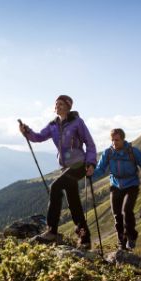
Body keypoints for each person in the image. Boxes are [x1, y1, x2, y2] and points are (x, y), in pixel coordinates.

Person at [19, 95, 97, 249]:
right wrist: (26, 131)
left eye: (61, 104)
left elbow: (89, 142)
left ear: (68, 106)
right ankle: (85, 239)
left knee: (55, 187)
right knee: (74, 203)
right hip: (66, 168)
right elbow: (39, 137)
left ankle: (52, 231)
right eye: (56, 104)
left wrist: (91, 163)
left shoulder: (77, 122)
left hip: (80, 165)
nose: (58, 106)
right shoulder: (53, 125)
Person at [93, 128, 141, 250]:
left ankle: (131, 237)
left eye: (117, 140)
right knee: (117, 215)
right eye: (112, 140)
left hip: (131, 185)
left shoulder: (133, 152)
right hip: (115, 185)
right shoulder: (108, 153)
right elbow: (100, 169)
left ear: (123, 139)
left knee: (126, 210)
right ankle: (121, 242)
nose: (114, 143)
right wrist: (90, 174)